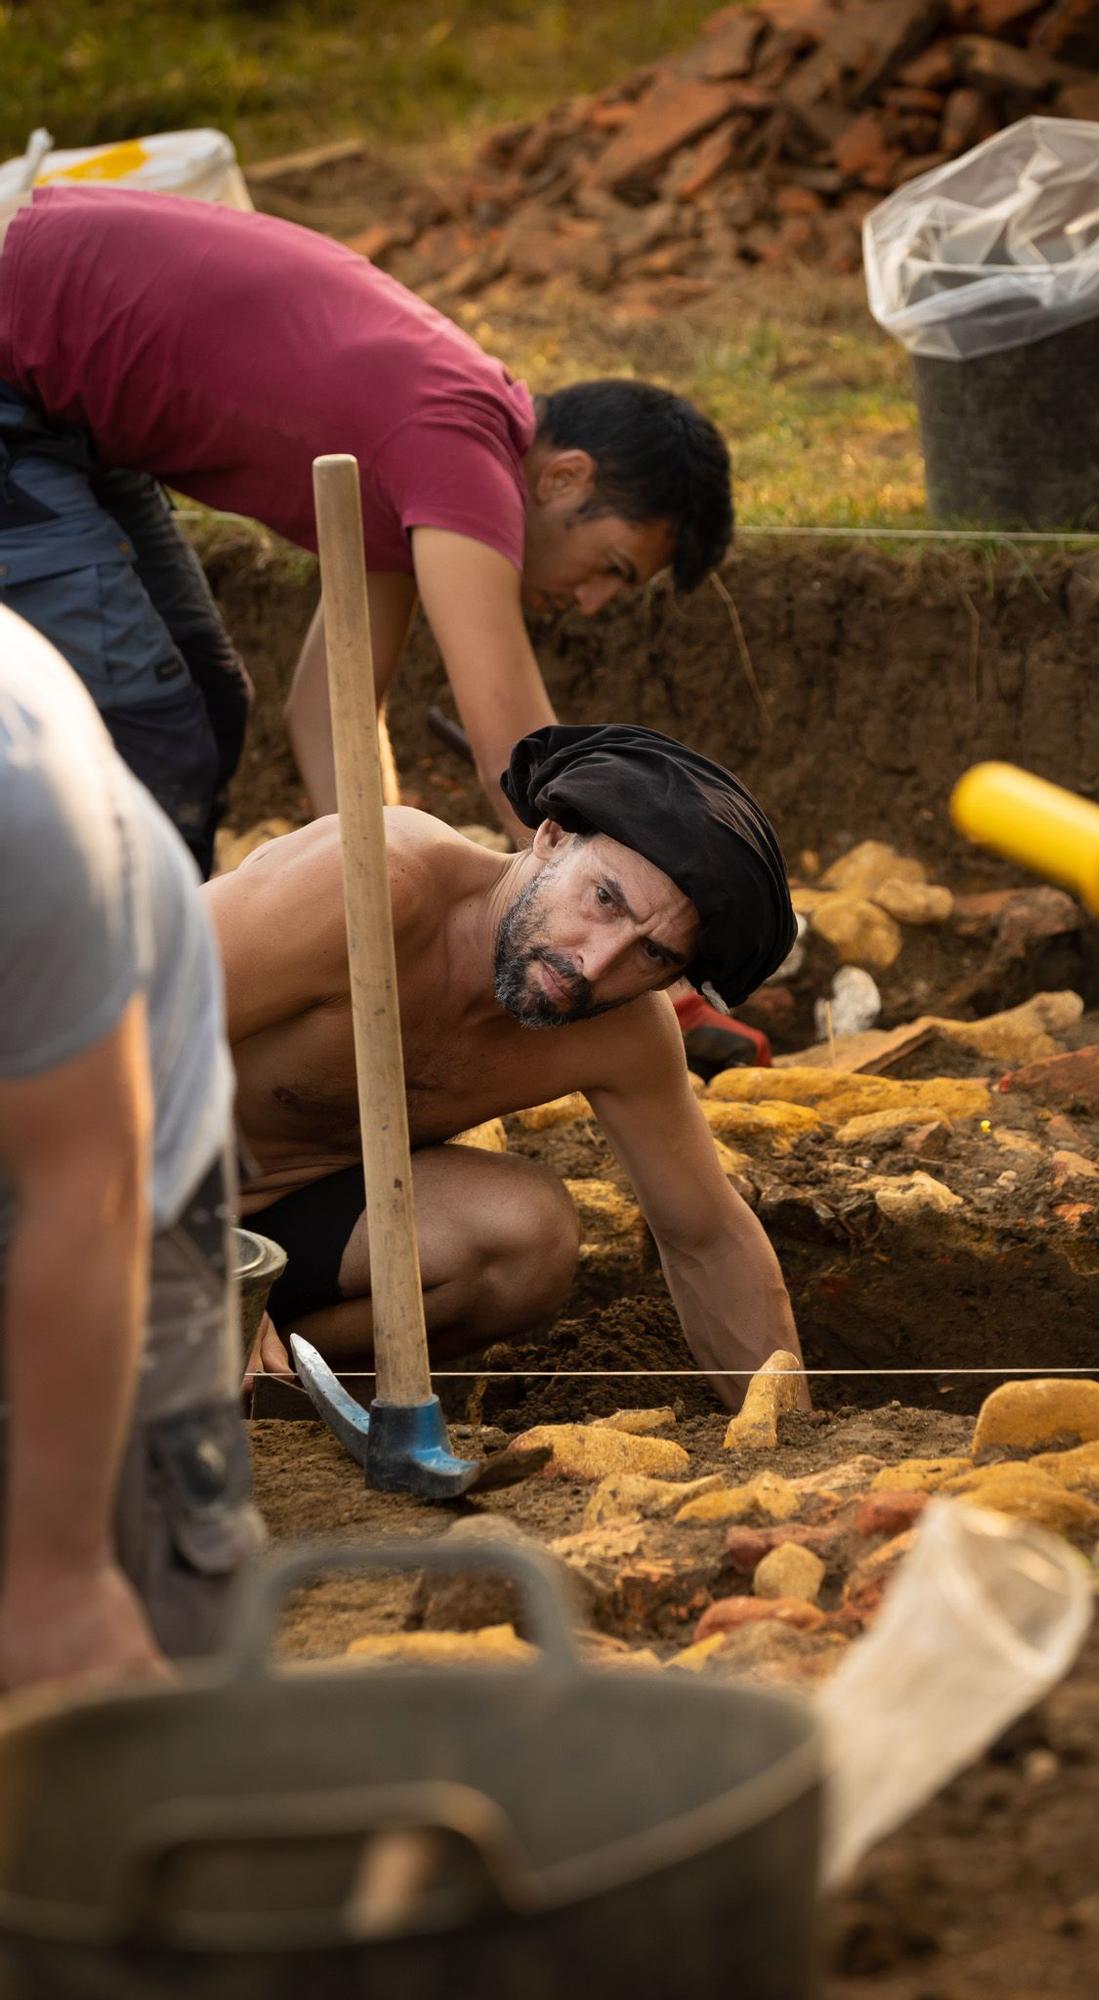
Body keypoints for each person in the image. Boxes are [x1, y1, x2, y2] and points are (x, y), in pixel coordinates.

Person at [0, 185, 733, 878]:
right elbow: (514, 747)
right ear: (564, 476)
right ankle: (113, 995)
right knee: (150, 730)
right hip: (15, 367)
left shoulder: (429, 467)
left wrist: (378, 897)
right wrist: (607, 920)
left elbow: (330, 714)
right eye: (612, 565)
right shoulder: (463, 456)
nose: (593, 601)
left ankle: (174, 972)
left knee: (206, 698)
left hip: (64, 408)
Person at [206, 724, 805, 1409]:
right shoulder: (374, 880)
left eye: (653, 955)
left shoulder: (619, 1030)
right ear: (550, 838)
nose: (595, 963)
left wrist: (784, 1436)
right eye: (605, 899)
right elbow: (94, 1031)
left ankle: (267, 1387)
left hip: (283, 1238)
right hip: (111, 1183)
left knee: (525, 1238)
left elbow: (706, 1239)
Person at [0, 604, 261, 1693]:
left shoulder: (22, 807)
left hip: (98, 1177)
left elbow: (85, 1185)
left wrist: (56, 1575)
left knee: (128, 1667)